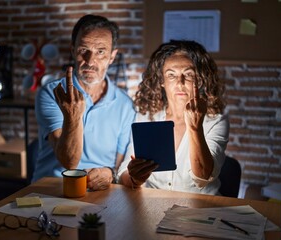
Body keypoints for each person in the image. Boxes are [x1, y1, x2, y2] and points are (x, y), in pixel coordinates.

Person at [32, 14, 135, 191]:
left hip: (100, 193)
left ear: (112, 56)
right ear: (73, 50)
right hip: (53, 189)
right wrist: (73, 115)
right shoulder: (52, 93)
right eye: (83, 50)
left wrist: (110, 174)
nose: (90, 61)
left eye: (100, 52)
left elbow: (119, 166)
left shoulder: (125, 105)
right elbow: (69, 161)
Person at [117, 40, 229, 195]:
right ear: (162, 80)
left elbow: (203, 177)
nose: (180, 83)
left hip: (200, 209)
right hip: (154, 206)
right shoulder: (146, 117)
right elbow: (123, 174)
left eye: (188, 75)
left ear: (200, 79)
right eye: (171, 75)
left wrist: (195, 127)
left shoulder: (215, 121)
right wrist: (135, 178)